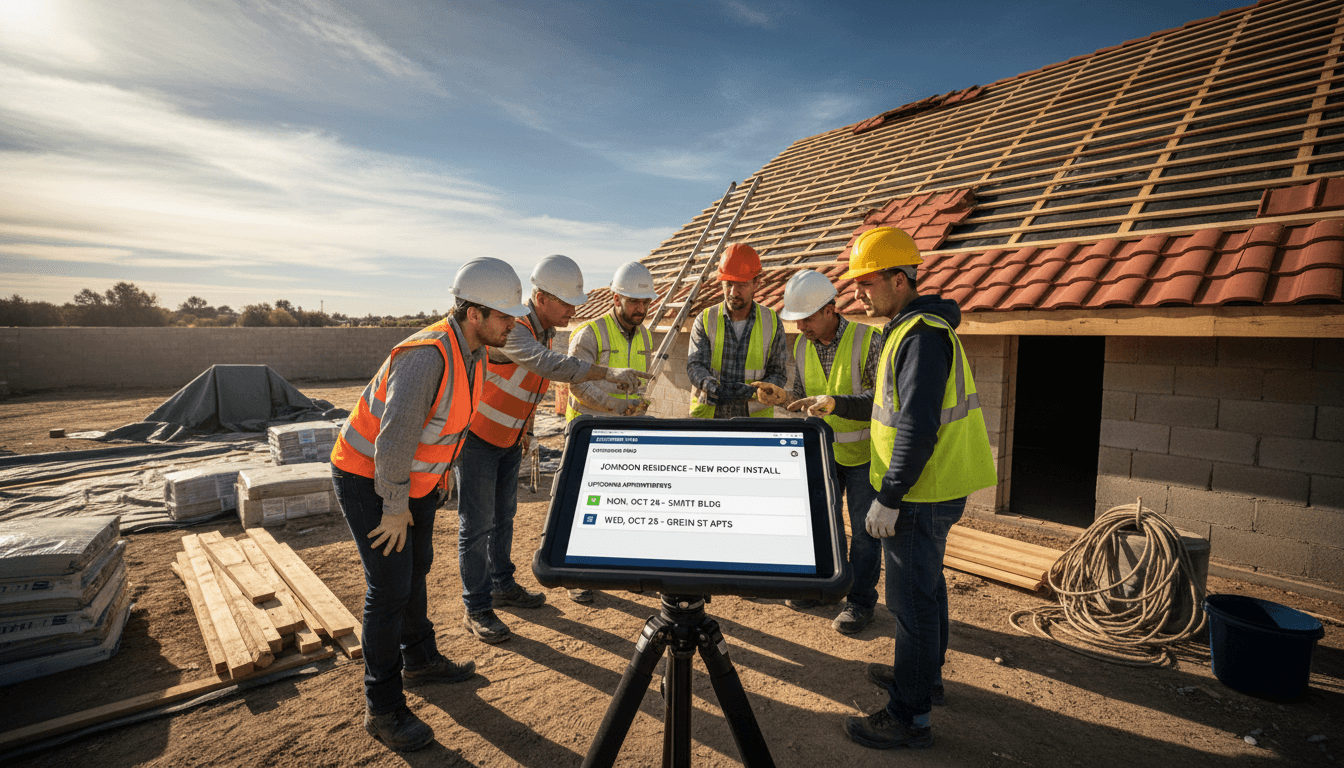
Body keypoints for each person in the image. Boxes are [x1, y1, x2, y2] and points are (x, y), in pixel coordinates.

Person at [788, 227, 996, 750]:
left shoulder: (921, 336)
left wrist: (890, 495)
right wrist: (834, 404)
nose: (857, 294)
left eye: (866, 283)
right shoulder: (909, 330)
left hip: (922, 492)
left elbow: (918, 425)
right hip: (930, 488)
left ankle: (910, 715)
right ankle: (926, 678)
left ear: (899, 280)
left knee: (910, 604)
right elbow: (889, 409)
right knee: (928, 592)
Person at [329, 256, 528, 752]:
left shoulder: (475, 352)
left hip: (412, 483)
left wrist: (438, 479)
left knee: (418, 566)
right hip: (369, 477)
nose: (513, 324)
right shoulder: (428, 355)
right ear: (473, 312)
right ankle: (384, 708)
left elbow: (450, 423)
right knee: (389, 589)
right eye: (504, 316)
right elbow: (394, 440)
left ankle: (419, 659)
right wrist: (395, 505)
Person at [457, 254, 650, 643]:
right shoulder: (515, 329)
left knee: (504, 516)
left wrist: (526, 429)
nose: (573, 309)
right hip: (478, 437)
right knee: (476, 526)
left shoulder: (543, 331)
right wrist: (607, 373)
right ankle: (476, 607)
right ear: (541, 297)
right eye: (565, 302)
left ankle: (501, 584)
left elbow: (526, 388)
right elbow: (548, 366)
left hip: (510, 438)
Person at [763, 268, 885, 635]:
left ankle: (861, 602)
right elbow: (804, 398)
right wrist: (785, 399)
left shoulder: (869, 339)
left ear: (831, 309)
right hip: (822, 453)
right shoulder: (801, 346)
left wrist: (836, 403)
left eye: (807, 319)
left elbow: (881, 400)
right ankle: (823, 589)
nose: (801, 327)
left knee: (865, 533)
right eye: (796, 320)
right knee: (820, 523)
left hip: (864, 454)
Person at [563, 260, 658, 602]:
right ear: (616, 299)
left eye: (645, 302)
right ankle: (578, 575)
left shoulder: (645, 335)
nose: (640, 308)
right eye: (634, 301)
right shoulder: (590, 333)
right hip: (589, 431)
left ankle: (624, 568)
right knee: (583, 505)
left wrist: (637, 404)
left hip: (626, 433)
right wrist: (617, 406)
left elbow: (635, 385)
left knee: (624, 503)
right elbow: (577, 385)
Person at [686, 243, 787, 419]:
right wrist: (714, 388)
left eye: (741, 284)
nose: (733, 292)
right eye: (728, 284)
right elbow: (695, 365)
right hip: (709, 420)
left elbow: (778, 372)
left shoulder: (771, 322)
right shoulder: (705, 319)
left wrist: (757, 391)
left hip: (754, 424)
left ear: (757, 283)